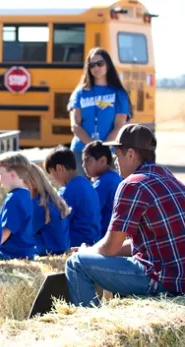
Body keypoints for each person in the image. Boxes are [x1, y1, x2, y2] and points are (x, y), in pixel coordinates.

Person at [66, 124, 185, 307]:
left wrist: (86, 252)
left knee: (76, 264)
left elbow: (110, 248)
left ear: (130, 154)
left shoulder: (132, 184)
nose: (114, 160)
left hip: (160, 279)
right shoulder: (170, 179)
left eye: (116, 154)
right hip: (178, 278)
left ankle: (90, 326)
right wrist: (92, 249)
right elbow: (145, 242)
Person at [68, 47, 131, 176]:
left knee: (108, 192)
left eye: (100, 64)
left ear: (108, 65)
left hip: (110, 154)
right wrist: (93, 148)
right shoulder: (79, 93)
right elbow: (75, 125)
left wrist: (102, 149)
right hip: (81, 152)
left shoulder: (118, 93)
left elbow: (119, 126)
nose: (96, 68)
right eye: (92, 65)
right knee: (83, 193)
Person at [44, 146, 101, 247]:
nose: (54, 180)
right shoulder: (87, 184)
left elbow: (56, 223)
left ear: (59, 168)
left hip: (76, 241)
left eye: (53, 175)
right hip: (94, 239)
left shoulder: (68, 191)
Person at [0, 153, 36, 260]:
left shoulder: (13, 198)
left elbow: (6, 232)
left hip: (12, 253)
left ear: (13, 174)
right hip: (26, 251)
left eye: (0, 173)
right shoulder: (26, 195)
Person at [26, 162, 71, 256]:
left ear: (33, 182)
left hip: (47, 250)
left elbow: (25, 233)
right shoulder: (51, 198)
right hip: (60, 248)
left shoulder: (40, 203)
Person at [82, 141, 123, 238]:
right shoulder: (115, 176)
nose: (83, 165)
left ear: (102, 161)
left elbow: (87, 213)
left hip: (104, 236)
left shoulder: (103, 183)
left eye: (87, 160)